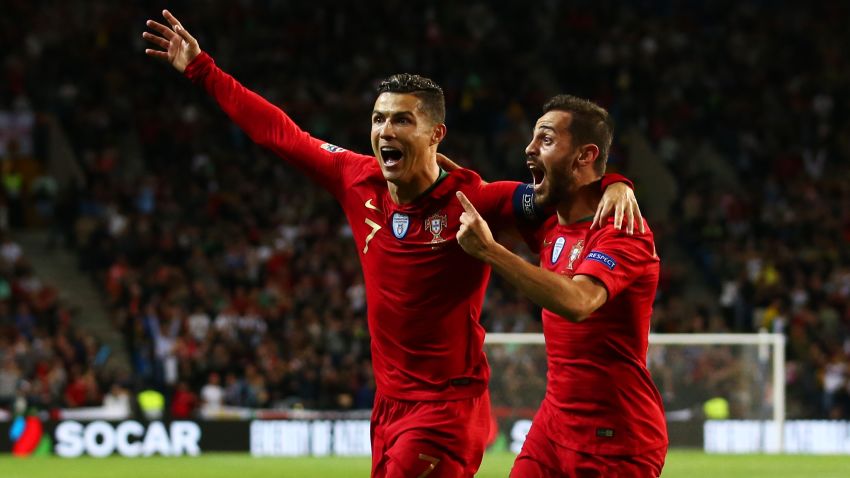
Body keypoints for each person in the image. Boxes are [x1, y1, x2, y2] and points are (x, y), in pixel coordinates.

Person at [143, 11, 642, 476]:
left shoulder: (477, 200)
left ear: (435, 134)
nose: (385, 130)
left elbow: (565, 196)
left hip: (448, 410)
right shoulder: (356, 178)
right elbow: (280, 134)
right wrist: (202, 70)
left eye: (402, 120)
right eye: (379, 118)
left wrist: (615, 182)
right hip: (388, 409)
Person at [456, 95, 667, 477]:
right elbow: (479, 195)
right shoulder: (550, 223)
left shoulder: (623, 231)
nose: (529, 148)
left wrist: (491, 251)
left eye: (547, 140)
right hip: (553, 426)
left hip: (617, 439)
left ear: (585, 156)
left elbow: (579, 301)